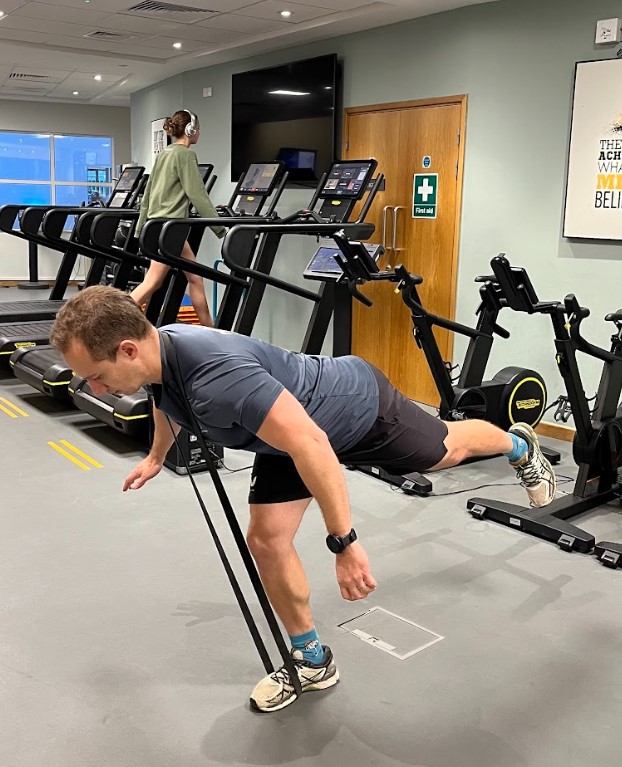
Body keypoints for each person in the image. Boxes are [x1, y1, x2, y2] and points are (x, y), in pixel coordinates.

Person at [50, 286, 557, 713]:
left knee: (445, 450)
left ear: (127, 350)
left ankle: (518, 444)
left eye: (94, 374)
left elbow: (315, 447)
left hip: (358, 409)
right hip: (284, 433)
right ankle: (312, 660)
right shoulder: (163, 355)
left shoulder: (218, 379)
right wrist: (158, 457)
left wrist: (345, 542)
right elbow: (167, 401)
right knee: (267, 541)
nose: (93, 386)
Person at [133, 109, 225, 326]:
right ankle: (109, 324)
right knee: (152, 282)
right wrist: (221, 229)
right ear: (191, 130)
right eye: (198, 128)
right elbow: (197, 194)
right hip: (171, 227)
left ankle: (210, 331)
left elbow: (147, 194)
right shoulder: (185, 155)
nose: (199, 133)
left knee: (195, 277)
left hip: (158, 225)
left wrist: (140, 228)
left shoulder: (163, 154)